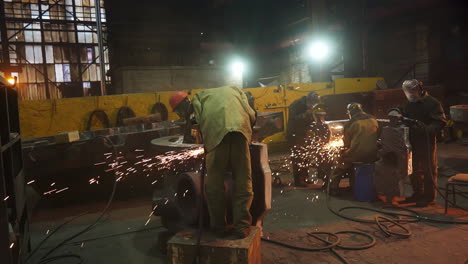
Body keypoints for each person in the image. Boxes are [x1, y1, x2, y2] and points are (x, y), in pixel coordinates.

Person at [169, 86, 257, 238]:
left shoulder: (197, 101)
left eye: (178, 112)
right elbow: (252, 114)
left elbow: (192, 134)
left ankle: (219, 227)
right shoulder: (235, 90)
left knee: (214, 186)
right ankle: (242, 226)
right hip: (240, 133)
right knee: (243, 181)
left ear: (183, 105)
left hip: (217, 137)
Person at [389, 79, 446, 207]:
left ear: (420, 90)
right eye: (407, 92)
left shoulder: (432, 103)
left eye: (412, 92)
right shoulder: (409, 103)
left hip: (426, 141)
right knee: (413, 169)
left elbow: (440, 122)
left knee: (428, 169)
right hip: (411, 141)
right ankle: (417, 194)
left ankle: (429, 197)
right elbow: (401, 108)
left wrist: (425, 130)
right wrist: (395, 111)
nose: (410, 95)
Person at [329, 103, 379, 195]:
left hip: (357, 154)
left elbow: (346, 144)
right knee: (351, 161)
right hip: (373, 153)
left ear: (350, 112)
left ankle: (333, 188)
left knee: (341, 161)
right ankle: (354, 185)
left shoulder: (350, 123)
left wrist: (342, 152)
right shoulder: (373, 118)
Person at [286, 92, 322, 187]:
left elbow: (310, 121)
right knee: (298, 158)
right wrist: (305, 115)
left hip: (303, 134)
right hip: (294, 134)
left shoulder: (309, 105)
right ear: (309, 100)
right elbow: (293, 118)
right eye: (312, 103)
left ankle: (305, 178)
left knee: (305, 157)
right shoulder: (296, 105)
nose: (313, 105)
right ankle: (299, 181)